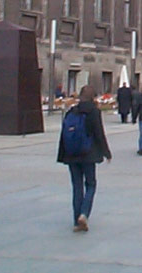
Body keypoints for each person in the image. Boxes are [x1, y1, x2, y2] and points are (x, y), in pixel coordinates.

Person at [57, 85, 112, 233]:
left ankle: (77, 221)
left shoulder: (71, 112)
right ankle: (84, 214)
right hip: (88, 154)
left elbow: (64, 135)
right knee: (91, 184)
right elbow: (99, 134)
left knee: (77, 187)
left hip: (72, 155)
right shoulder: (94, 112)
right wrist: (106, 152)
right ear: (93, 97)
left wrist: (62, 155)